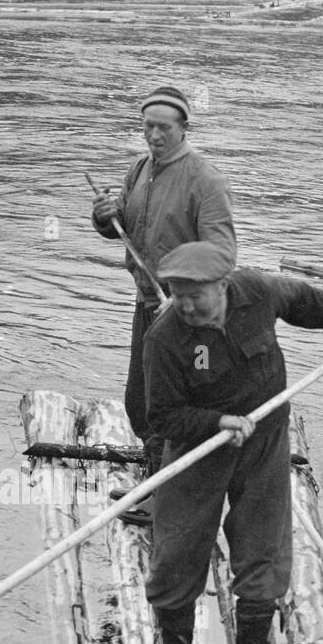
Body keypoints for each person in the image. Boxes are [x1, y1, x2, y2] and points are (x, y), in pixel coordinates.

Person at [119, 242, 323, 644]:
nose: (185, 304)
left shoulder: (258, 291)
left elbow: (303, 300)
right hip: (198, 448)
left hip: (263, 439)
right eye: (177, 294)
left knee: (262, 548)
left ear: (223, 284)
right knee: (175, 553)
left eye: (195, 295)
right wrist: (215, 423)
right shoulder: (163, 338)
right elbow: (161, 416)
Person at [90, 85, 236, 524]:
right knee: (140, 401)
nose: (153, 136)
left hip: (184, 313)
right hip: (146, 301)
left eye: (163, 128)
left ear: (184, 128)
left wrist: (182, 292)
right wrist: (104, 218)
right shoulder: (139, 170)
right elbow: (126, 230)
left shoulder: (204, 180)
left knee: (167, 407)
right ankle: (156, 483)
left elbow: (224, 253)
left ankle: (169, 500)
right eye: (147, 127)